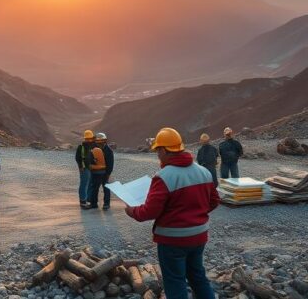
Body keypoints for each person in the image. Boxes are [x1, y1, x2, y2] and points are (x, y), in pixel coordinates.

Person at [124, 127, 219, 299]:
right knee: (198, 277)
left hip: (173, 240)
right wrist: (195, 215)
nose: (157, 155)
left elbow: (149, 211)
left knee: (175, 281)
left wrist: (132, 211)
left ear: (164, 150)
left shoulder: (163, 177)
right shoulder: (203, 172)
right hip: (199, 236)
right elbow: (213, 201)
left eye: (158, 151)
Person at [85, 138, 108, 210]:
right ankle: (106, 204)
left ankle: (93, 204)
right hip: (103, 171)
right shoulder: (99, 150)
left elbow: (92, 161)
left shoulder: (93, 151)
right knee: (105, 188)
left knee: (94, 188)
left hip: (96, 172)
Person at [76, 130, 95, 208]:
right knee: (84, 184)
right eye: (88, 138)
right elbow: (78, 158)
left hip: (89, 168)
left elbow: (92, 157)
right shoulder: (81, 147)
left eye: (90, 138)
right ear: (85, 139)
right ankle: (83, 202)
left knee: (88, 184)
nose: (89, 140)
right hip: (84, 169)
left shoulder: (92, 146)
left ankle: (86, 200)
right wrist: (80, 167)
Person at [96, 133, 115, 210]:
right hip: (96, 172)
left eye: (101, 142)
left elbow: (110, 163)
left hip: (105, 173)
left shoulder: (109, 151)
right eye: (98, 142)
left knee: (106, 188)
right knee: (94, 188)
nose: (100, 144)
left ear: (104, 141)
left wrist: (108, 173)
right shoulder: (95, 149)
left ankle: (106, 204)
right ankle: (94, 203)